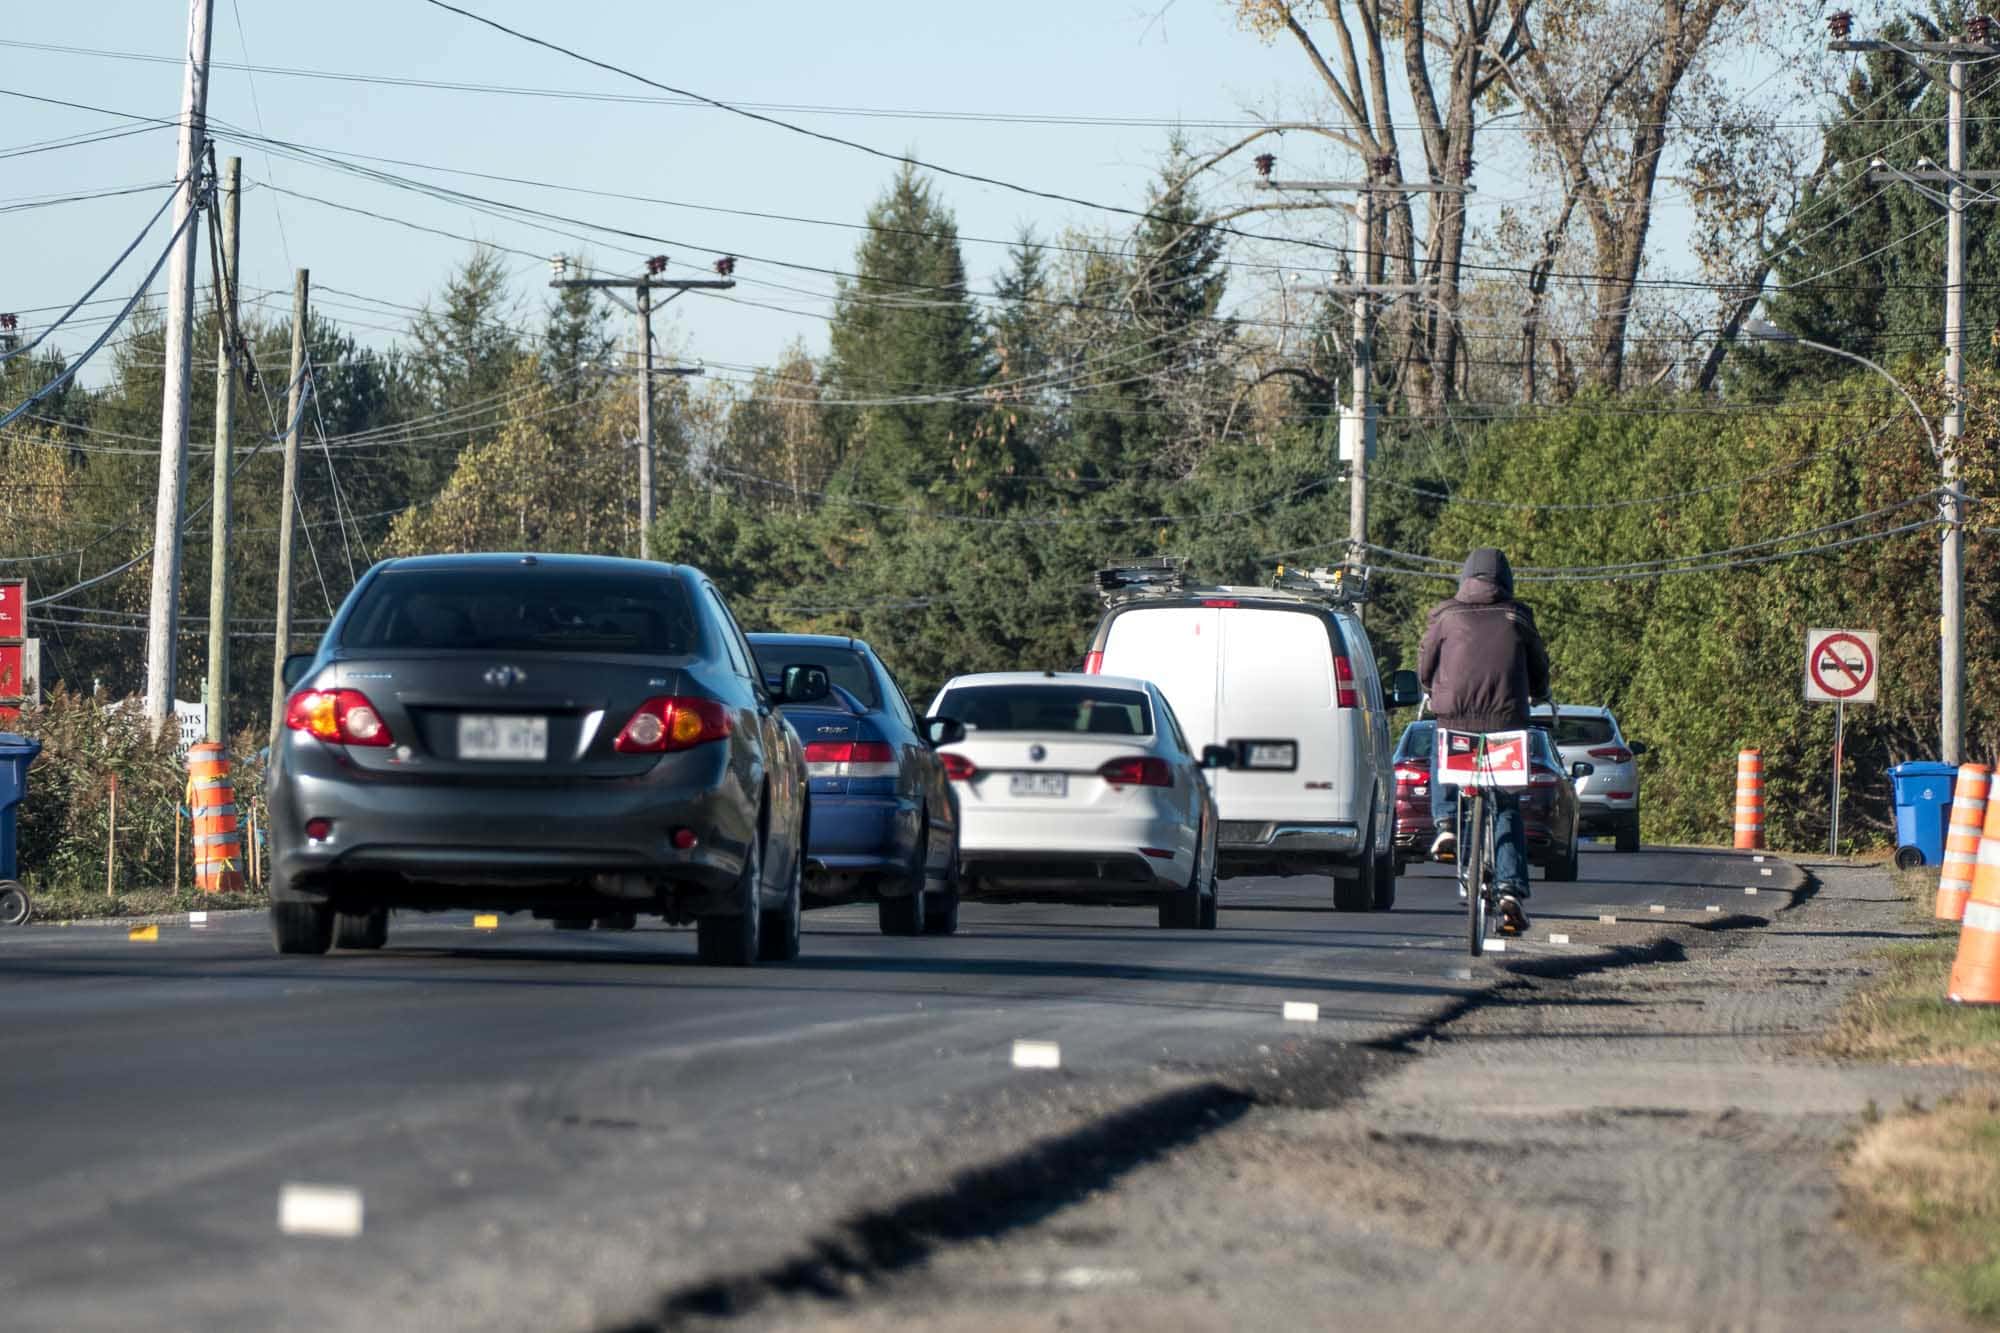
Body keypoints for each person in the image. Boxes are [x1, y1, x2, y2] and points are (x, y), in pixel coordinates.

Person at [1417, 547, 1551, 934]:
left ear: (1464, 579)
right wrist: (1539, 691)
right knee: (1506, 804)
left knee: (1442, 748)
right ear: (1506, 581)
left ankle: (1445, 823)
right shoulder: (1517, 616)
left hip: (1455, 717)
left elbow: (1425, 666)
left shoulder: (1445, 616)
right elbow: (1540, 669)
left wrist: (1432, 687)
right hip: (1507, 723)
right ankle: (1510, 890)